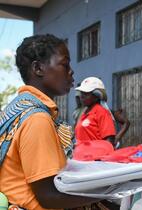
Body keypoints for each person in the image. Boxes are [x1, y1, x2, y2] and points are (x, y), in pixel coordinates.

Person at [0, 34, 102, 209]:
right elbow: (49, 197)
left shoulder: (16, 108)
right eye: (65, 64)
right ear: (38, 68)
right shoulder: (37, 119)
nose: (71, 71)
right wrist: (108, 190)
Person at [75, 77, 117, 147]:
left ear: (96, 96)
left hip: (95, 157)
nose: (81, 96)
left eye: (86, 94)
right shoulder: (85, 113)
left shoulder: (101, 112)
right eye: (81, 93)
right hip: (81, 156)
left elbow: (109, 142)